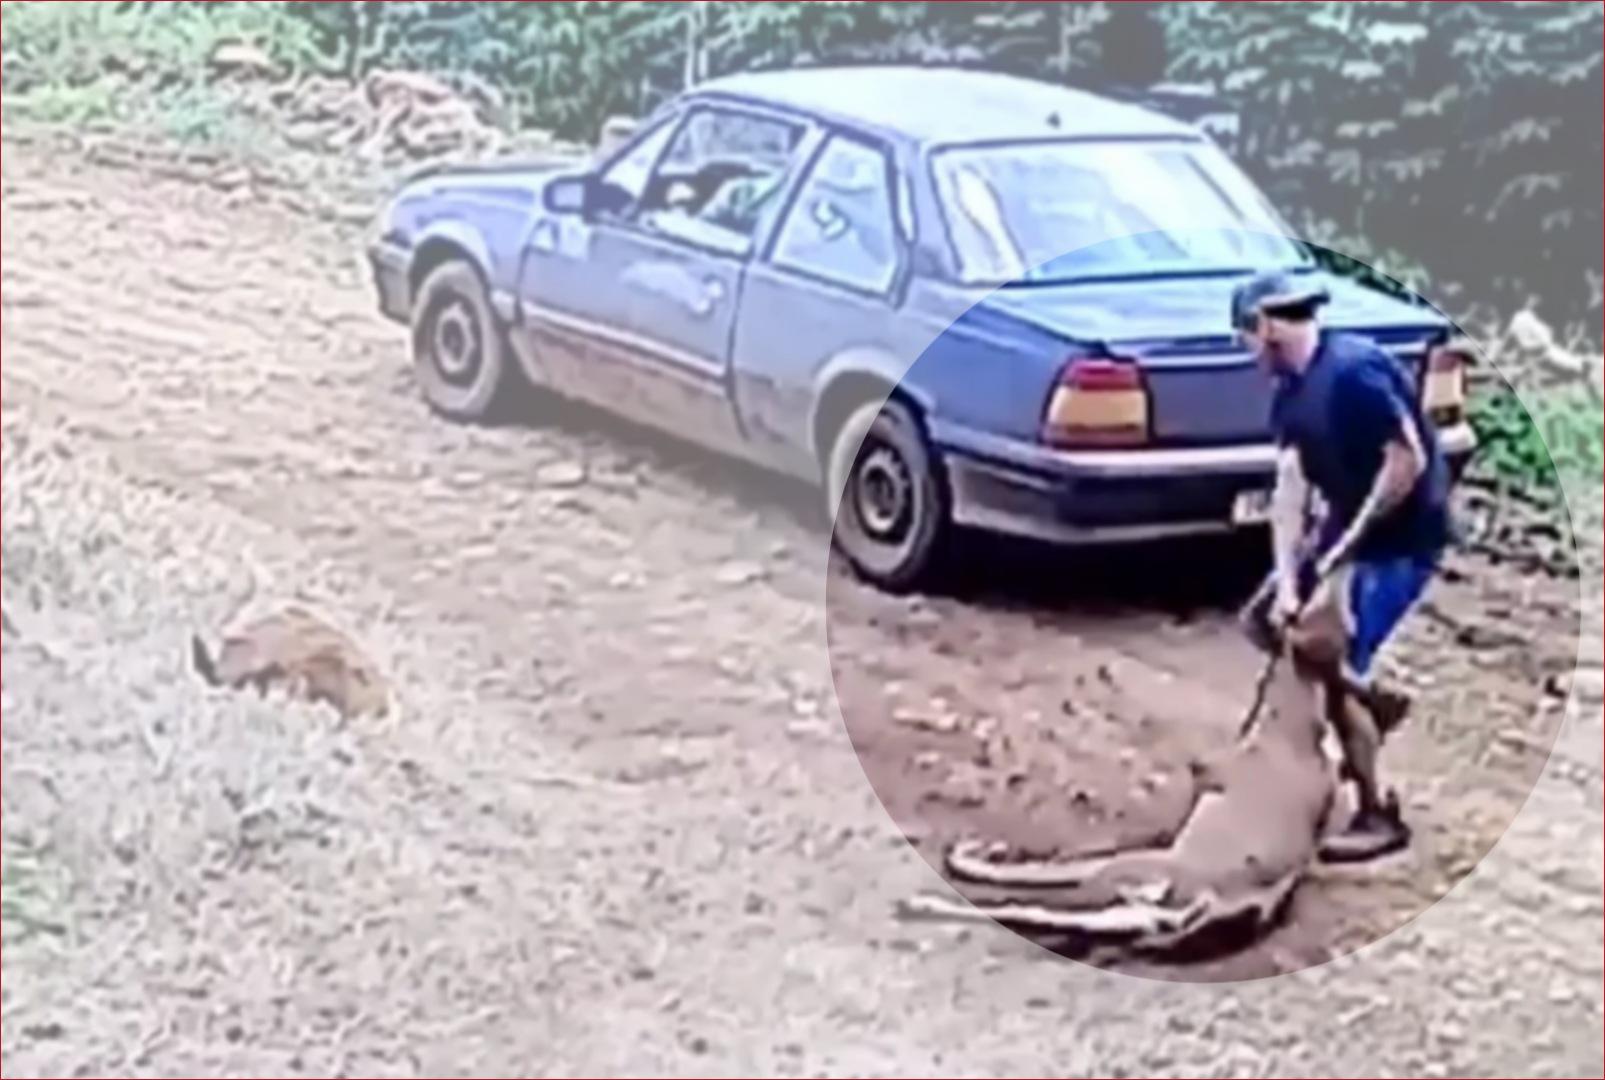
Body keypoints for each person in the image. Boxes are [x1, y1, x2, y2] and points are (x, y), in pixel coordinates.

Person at [1232, 269, 1453, 862]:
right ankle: (1370, 697)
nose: (1247, 353)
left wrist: (1341, 554)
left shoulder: (1354, 373)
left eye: (1244, 338)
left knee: (1329, 654)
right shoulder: (1290, 392)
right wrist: (1285, 575)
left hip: (1403, 538)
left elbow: (1405, 461)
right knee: (1261, 622)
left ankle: (1379, 812)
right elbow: (1290, 487)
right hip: (1347, 529)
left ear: (1265, 325)